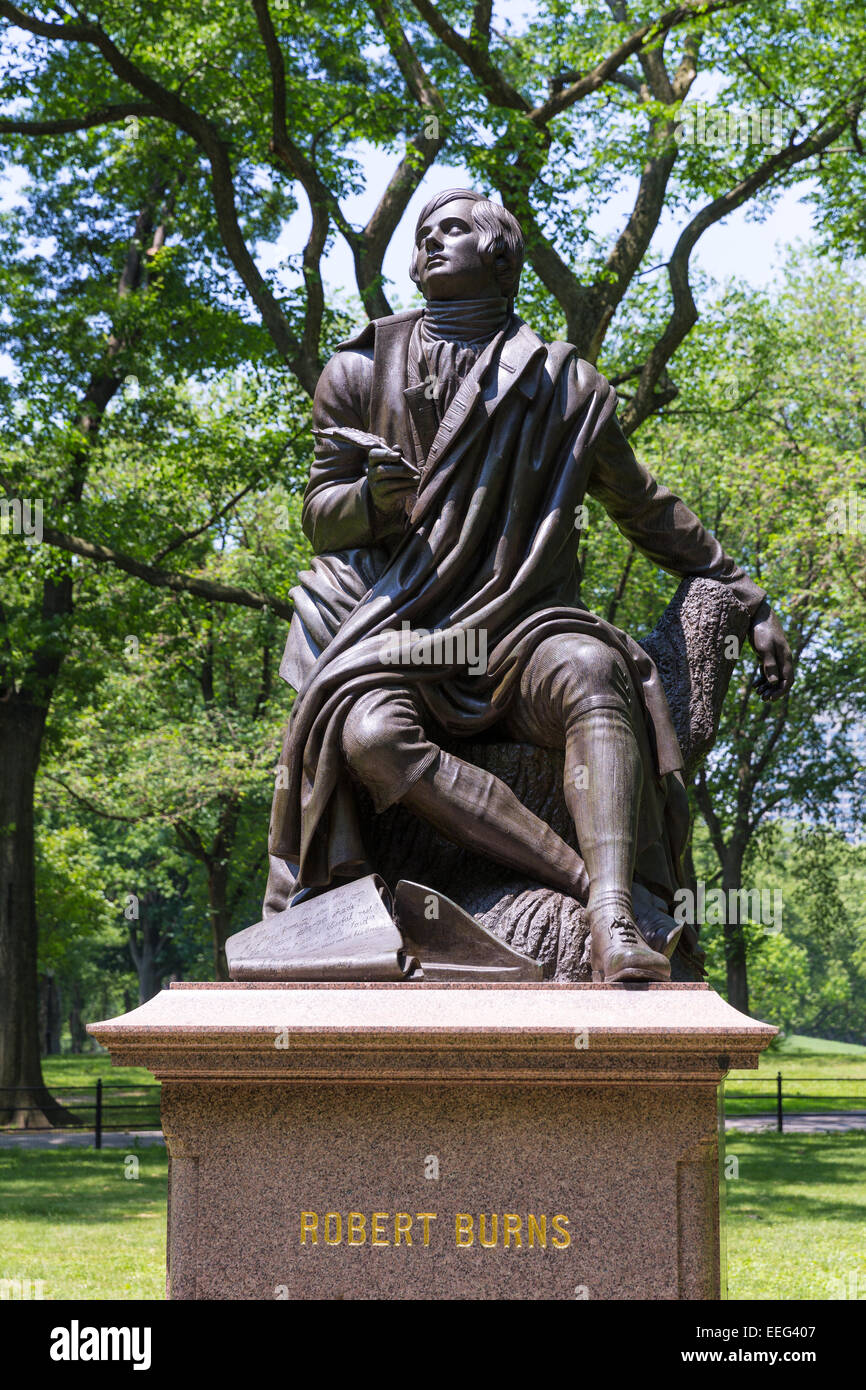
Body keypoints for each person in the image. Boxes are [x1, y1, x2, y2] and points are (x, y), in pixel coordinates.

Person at [267, 188, 794, 982]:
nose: (429, 242)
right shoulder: (358, 373)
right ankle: (595, 890)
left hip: (523, 626)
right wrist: (371, 503)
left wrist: (742, 590)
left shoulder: (564, 385)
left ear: (500, 254)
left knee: (594, 670)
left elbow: (643, 506)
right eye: (422, 234)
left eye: (451, 229)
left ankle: (612, 921)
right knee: (370, 736)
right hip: (401, 630)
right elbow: (320, 517)